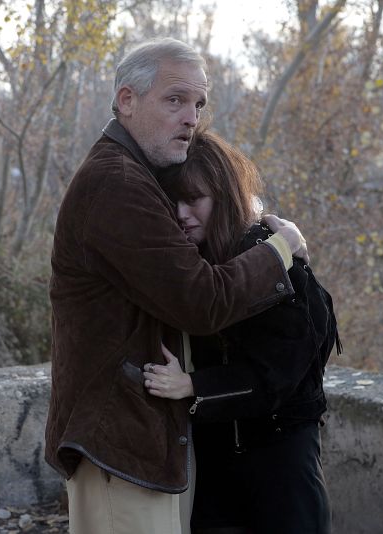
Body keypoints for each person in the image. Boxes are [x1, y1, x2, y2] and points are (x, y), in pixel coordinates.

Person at [44, 37, 310, 534]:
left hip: (139, 442)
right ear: (127, 101)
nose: (192, 117)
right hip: (118, 444)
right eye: (175, 100)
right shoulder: (116, 184)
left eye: (199, 103)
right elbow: (201, 301)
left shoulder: (136, 177)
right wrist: (280, 249)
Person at [143, 130, 340, 534]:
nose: (181, 212)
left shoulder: (272, 259)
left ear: (224, 197)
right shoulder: (192, 266)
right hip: (214, 459)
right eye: (174, 201)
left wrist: (193, 386)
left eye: (194, 199)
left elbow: (278, 377)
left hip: (281, 457)